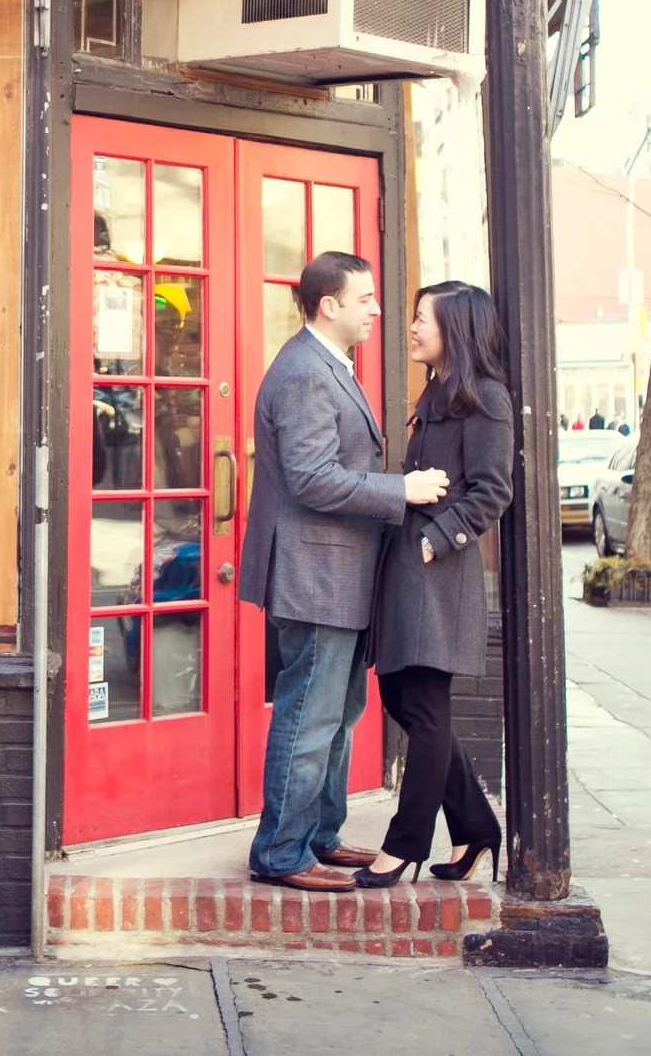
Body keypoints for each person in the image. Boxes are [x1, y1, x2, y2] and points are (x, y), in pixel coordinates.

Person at [238, 251, 449, 893]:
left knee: (339, 712)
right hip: (317, 577)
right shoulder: (305, 371)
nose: (376, 311)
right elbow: (310, 477)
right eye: (365, 300)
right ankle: (279, 853)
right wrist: (401, 491)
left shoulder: (328, 365)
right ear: (328, 305)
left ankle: (318, 836)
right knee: (309, 715)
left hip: (341, 576)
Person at [357, 282, 514, 888]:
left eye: (422, 317)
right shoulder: (439, 393)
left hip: (436, 570)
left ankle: (405, 845)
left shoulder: (486, 400)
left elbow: (492, 490)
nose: (412, 326)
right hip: (408, 565)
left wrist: (434, 538)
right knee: (403, 699)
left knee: (422, 707)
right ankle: (476, 828)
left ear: (457, 327)